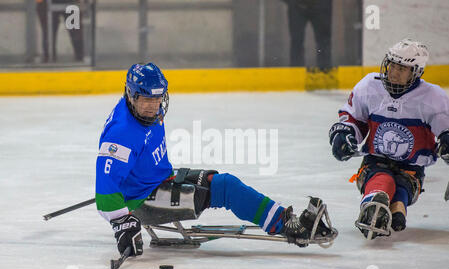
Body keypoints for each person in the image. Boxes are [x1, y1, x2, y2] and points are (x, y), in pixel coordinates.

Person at [95, 63, 337, 256]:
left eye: (158, 99)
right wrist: (122, 221)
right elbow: (105, 191)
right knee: (226, 187)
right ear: (131, 95)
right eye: (147, 100)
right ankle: (287, 226)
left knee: (213, 179)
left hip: (154, 179)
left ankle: (280, 217)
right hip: (142, 200)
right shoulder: (121, 134)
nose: (153, 106)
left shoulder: (142, 109)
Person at [328, 39, 449, 240]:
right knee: (381, 177)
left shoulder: (432, 97)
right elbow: (353, 118)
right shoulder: (369, 85)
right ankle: (377, 203)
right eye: (392, 65)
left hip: (412, 169)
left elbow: (446, 131)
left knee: (401, 186)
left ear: (416, 72)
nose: (393, 72)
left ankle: (385, 206)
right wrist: (345, 134)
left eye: (402, 68)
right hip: (375, 161)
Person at [282, 0, 333, 69]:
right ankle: (296, 74)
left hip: (320, 6)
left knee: (323, 42)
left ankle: (325, 73)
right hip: (298, 6)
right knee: (297, 41)